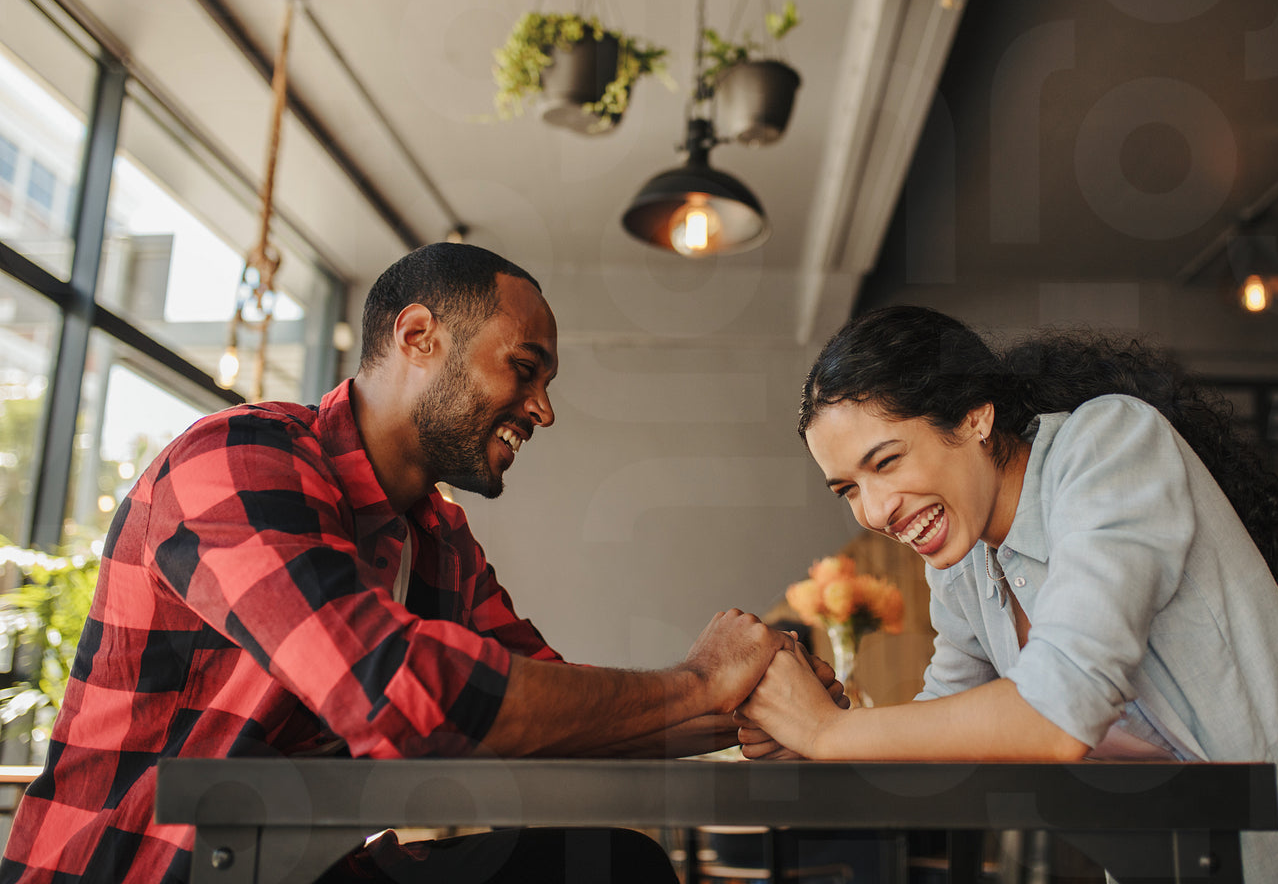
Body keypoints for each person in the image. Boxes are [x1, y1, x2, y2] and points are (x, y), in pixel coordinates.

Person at [0, 243, 837, 884]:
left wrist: (759, 707)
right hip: (141, 869)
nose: (543, 409)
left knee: (616, 868)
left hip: (290, 869)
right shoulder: (237, 459)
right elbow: (392, 688)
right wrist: (701, 681)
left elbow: (560, 726)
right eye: (525, 369)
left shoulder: (438, 538)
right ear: (418, 337)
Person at [736, 307, 1278, 882]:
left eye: (886, 461)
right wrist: (813, 738)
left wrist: (831, 733)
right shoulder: (963, 561)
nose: (875, 511)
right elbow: (945, 732)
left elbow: (1057, 714)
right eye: (848, 489)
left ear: (974, 417)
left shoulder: (1110, 445)